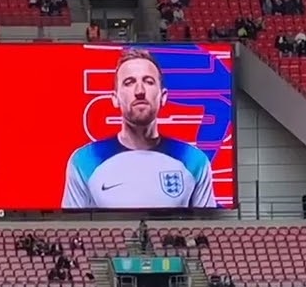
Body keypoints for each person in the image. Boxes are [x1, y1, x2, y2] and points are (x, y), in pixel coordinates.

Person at [62, 48, 216, 209]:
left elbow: (207, 222)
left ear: (163, 97)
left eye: (148, 82)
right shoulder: (84, 160)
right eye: (129, 83)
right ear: (115, 98)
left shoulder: (194, 160)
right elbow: (72, 223)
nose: (140, 91)